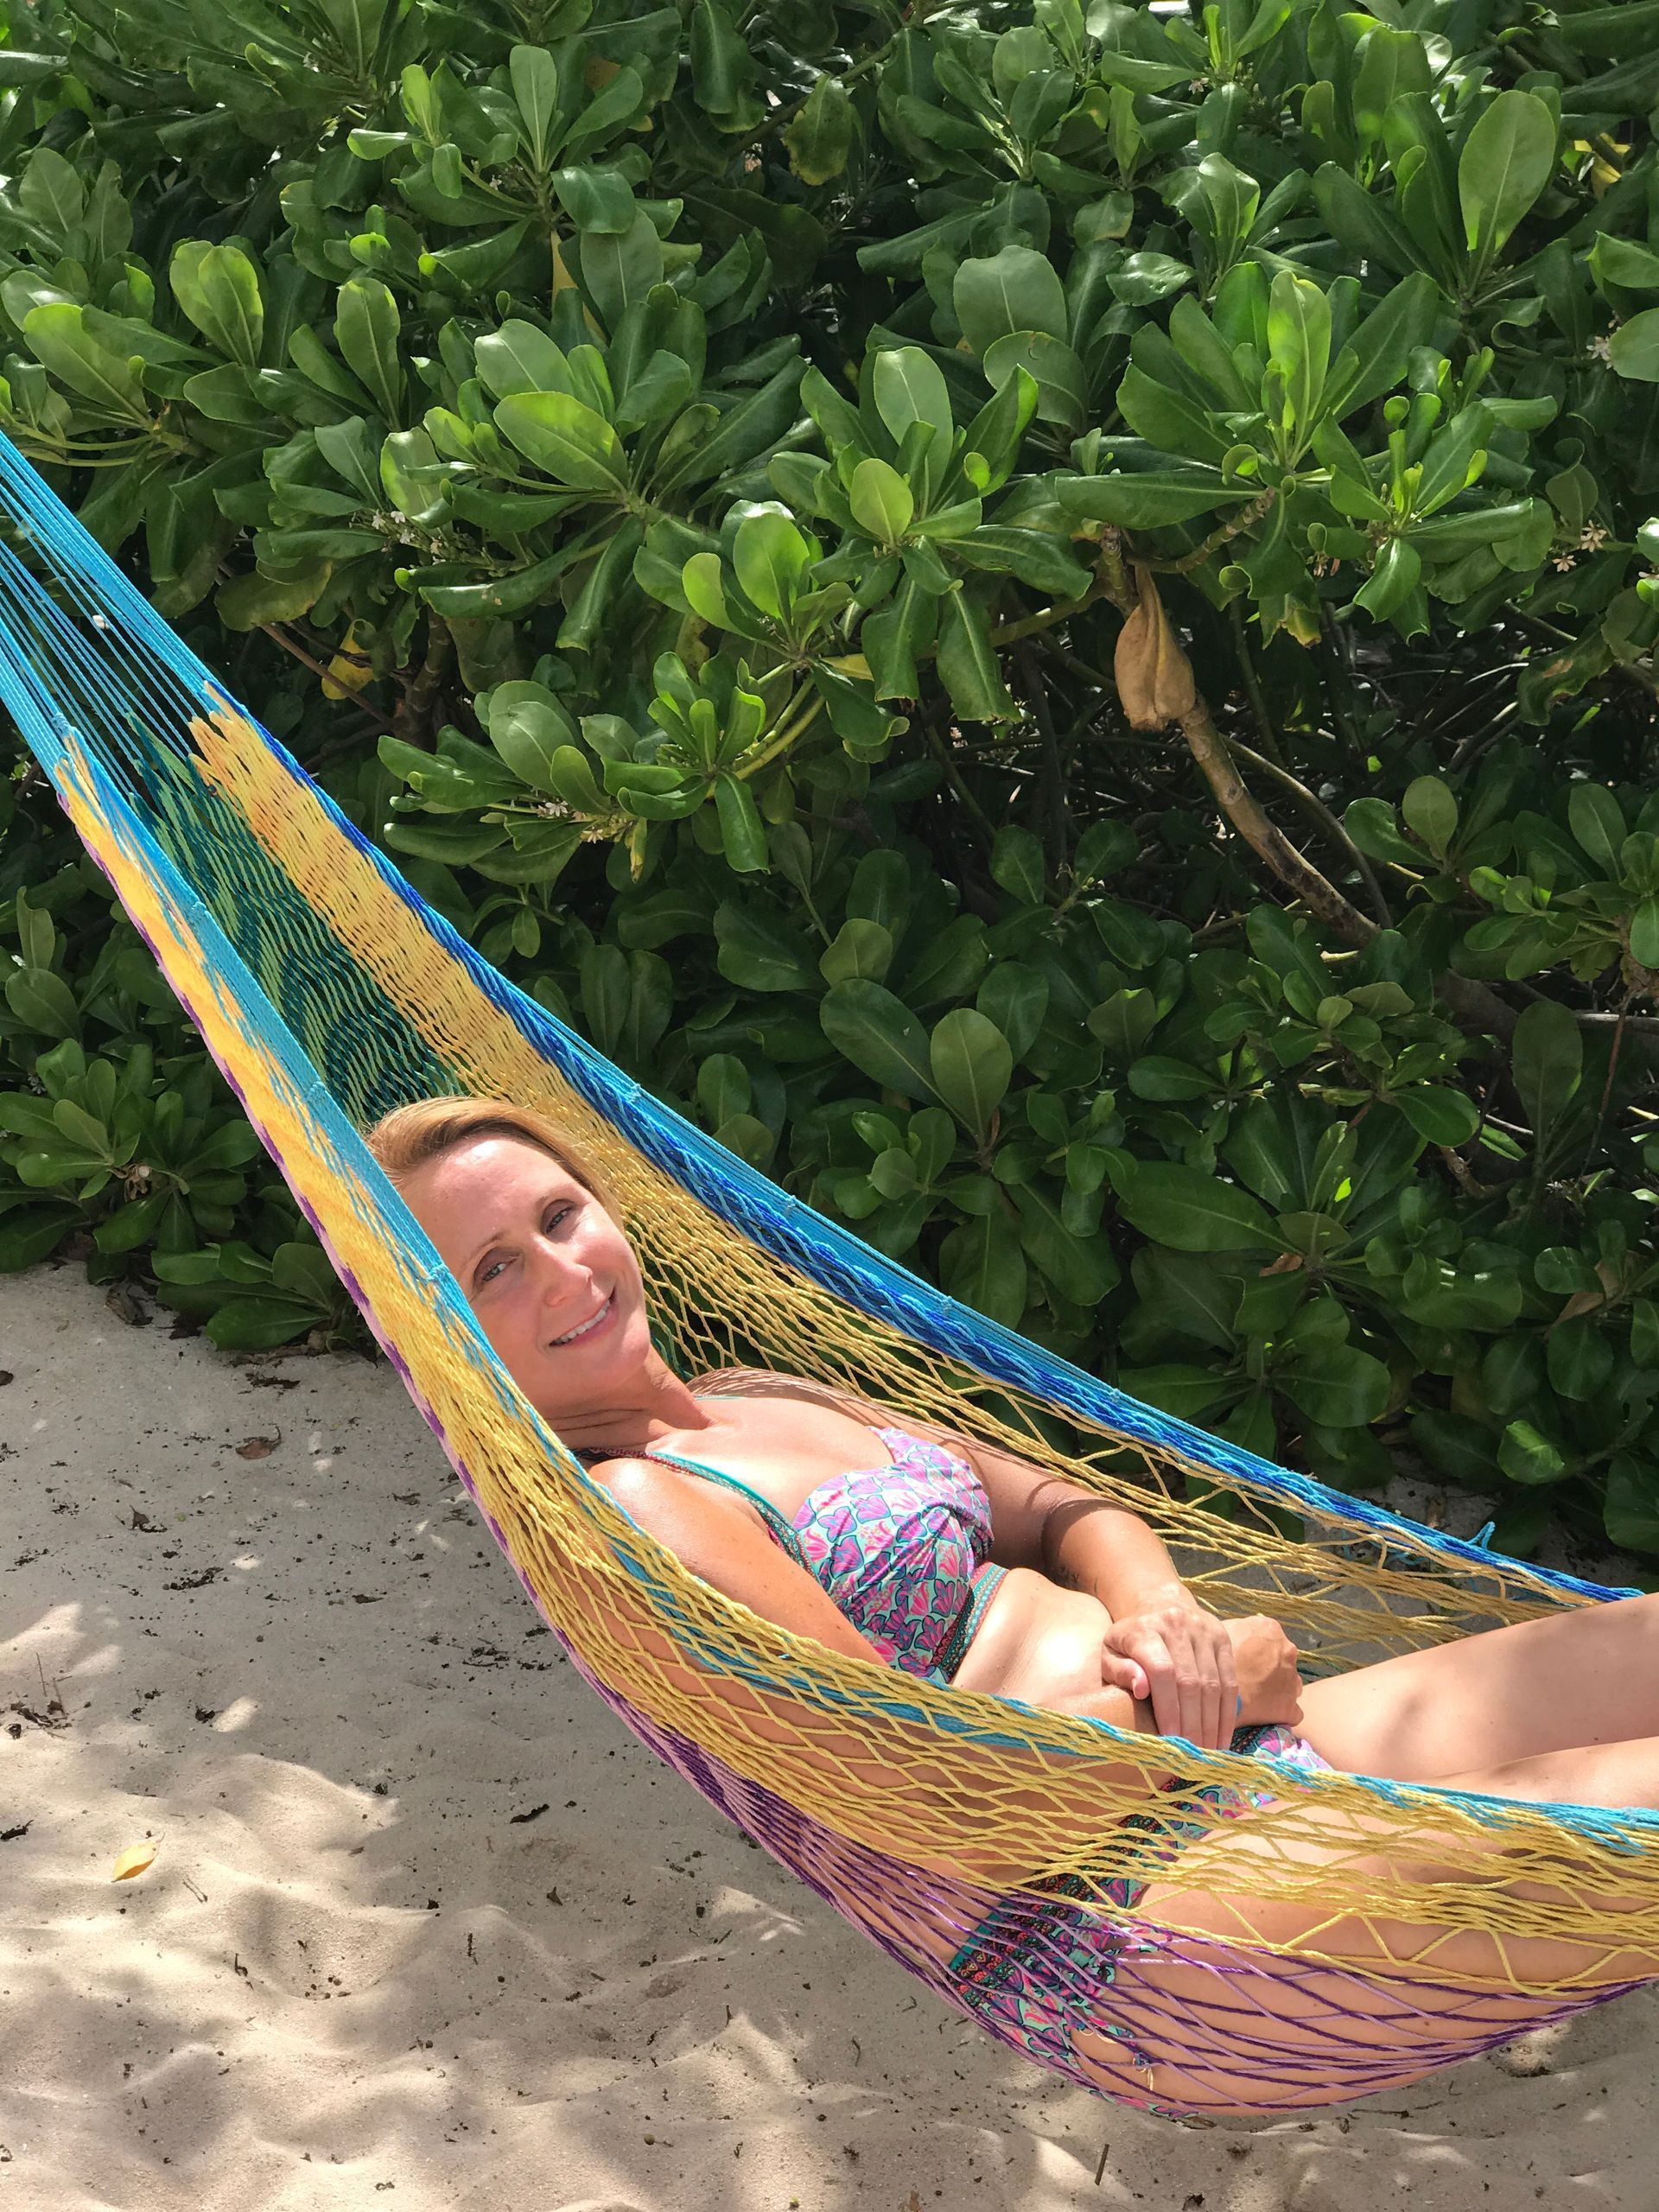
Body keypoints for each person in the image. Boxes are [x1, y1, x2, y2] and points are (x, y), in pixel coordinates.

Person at [365, 1094, 1659, 2109]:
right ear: (442, 1333)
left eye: (556, 1215)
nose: (560, 1272)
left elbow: (1058, 1506)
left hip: (1242, 1755)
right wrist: (1209, 1697)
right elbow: (926, 1800)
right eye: (487, 1271)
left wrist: (1172, 1618)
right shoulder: (646, 1511)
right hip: (1131, 1923)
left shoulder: (770, 1392)